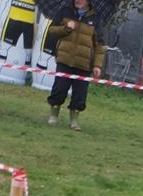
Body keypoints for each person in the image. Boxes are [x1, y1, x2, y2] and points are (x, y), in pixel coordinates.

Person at [46, 0, 105, 131]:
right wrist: (66, 28)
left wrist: (97, 65)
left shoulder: (96, 18)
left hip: (84, 65)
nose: (77, 0)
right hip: (64, 60)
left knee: (80, 95)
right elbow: (52, 30)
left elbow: (100, 45)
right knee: (59, 89)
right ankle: (53, 116)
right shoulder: (64, 11)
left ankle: (74, 121)